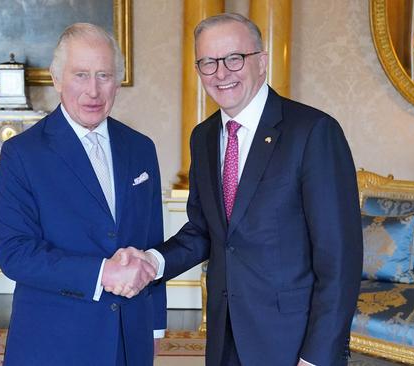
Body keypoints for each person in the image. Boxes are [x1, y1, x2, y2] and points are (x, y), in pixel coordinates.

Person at [118, 13, 363, 366]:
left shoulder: (312, 132)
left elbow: (340, 258)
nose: (221, 73)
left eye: (234, 58)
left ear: (261, 62)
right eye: (208, 62)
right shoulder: (203, 138)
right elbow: (206, 230)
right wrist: (152, 262)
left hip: (292, 341)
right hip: (225, 334)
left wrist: (318, 356)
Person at [0, 23, 165, 366]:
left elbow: (152, 241)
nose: (94, 91)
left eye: (104, 75)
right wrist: (103, 273)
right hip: (54, 339)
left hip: (130, 335)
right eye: (81, 75)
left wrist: (155, 327)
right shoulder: (22, 154)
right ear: (57, 79)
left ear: (117, 80)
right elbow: (15, 254)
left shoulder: (141, 148)